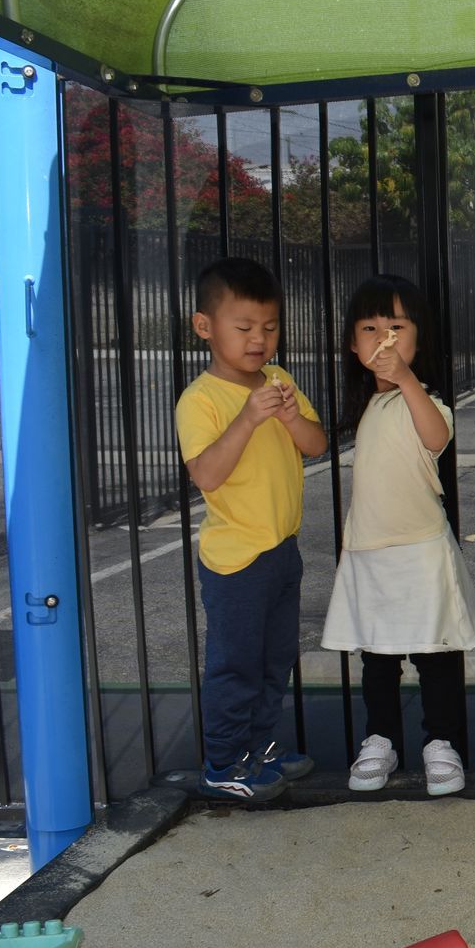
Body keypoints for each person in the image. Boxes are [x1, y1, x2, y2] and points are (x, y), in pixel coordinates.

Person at [321, 275, 475, 796]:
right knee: (377, 658)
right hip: (369, 554)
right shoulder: (368, 407)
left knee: (435, 655)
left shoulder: (426, 401)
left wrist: (408, 381)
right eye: (370, 328)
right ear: (353, 344)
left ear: (418, 340)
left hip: (419, 552)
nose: (384, 338)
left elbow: (436, 436)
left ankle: (441, 743)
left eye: (396, 326)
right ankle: (381, 741)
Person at [175, 257, 328, 802]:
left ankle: (260, 748)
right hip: (237, 560)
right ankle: (223, 761)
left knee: (274, 658)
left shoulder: (280, 380)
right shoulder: (200, 400)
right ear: (205, 327)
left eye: (269, 328)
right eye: (244, 328)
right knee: (235, 664)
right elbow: (207, 475)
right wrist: (248, 418)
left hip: (281, 550)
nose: (259, 340)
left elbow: (316, 444)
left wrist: (287, 415)